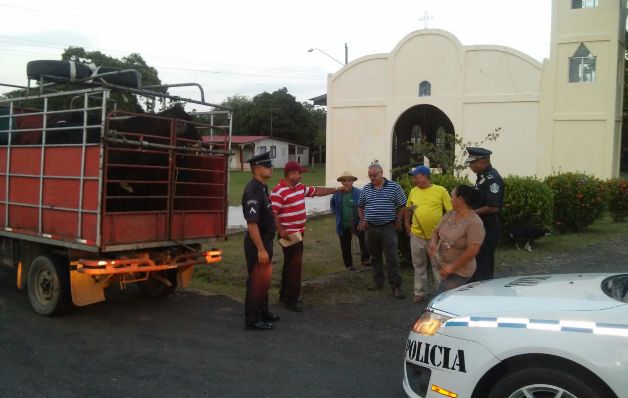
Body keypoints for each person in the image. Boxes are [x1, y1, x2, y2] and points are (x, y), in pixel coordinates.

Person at [271, 161, 346, 312]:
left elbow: (316, 191)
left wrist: (336, 189)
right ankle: (292, 299)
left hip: (299, 233)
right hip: (289, 234)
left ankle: (284, 295)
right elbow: (273, 214)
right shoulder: (278, 191)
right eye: (299, 173)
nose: (300, 176)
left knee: (290, 264)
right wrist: (281, 230)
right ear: (291, 174)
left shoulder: (299, 188)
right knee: (295, 266)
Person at [357, 162, 407, 299]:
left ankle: (396, 286)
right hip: (371, 228)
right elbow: (360, 206)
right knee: (375, 257)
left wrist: (398, 220)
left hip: (388, 227)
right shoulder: (366, 189)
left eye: (374, 175)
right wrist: (362, 220)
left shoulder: (394, 187)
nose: (372, 178)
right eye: (370, 176)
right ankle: (378, 282)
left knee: (392, 257)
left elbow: (403, 205)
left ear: (381, 173)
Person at [242, 152, 279, 331]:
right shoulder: (253, 190)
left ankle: (263, 312)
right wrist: (261, 249)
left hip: (265, 241)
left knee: (264, 279)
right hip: (258, 242)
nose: (271, 168)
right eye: (267, 165)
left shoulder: (262, 187)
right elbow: (252, 223)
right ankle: (253, 319)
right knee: (257, 280)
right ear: (257, 169)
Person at [404, 165, 452, 303]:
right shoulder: (413, 191)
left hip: (436, 236)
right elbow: (408, 209)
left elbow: (450, 212)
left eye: (416, 176)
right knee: (418, 264)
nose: (414, 179)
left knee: (437, 265)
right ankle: (419, 292)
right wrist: (407, 225)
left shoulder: (441, 190)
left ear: (425, 176)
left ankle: (441, 293)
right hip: (417, 235)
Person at [429, 185, 485, 293]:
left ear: (460, 199)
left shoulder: (474, 223)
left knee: (442, 297)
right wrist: (433, 243)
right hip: (444, 267)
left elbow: (472, 251)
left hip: (460, 272)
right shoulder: (450, 214)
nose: (450, 199)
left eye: (452, 196)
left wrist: (451, 267)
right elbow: (436, 231)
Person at [465, 147, 504, 281]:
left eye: (472, 163)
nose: (470, 166)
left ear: (482, 162)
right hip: (479, 227)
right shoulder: (482, 177)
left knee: (484, 263)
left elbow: (493, 207)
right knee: (477, 262)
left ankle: (485, 293)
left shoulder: (492, 179)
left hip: (488, 228)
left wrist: (470, 213)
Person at [330, 171, 370, 271]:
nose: (347, 182)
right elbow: (332, 204)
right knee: (345, 244)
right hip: (343, 223)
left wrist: (363, 219)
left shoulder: (358, 193)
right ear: (341, 182)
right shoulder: (337, 194)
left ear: (352, 181)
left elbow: (365, 206)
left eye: (349, 180)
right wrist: (337, 213)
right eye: (344, 181)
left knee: (364, 241)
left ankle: (365, 259)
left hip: (358, 222)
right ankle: (349, 265)